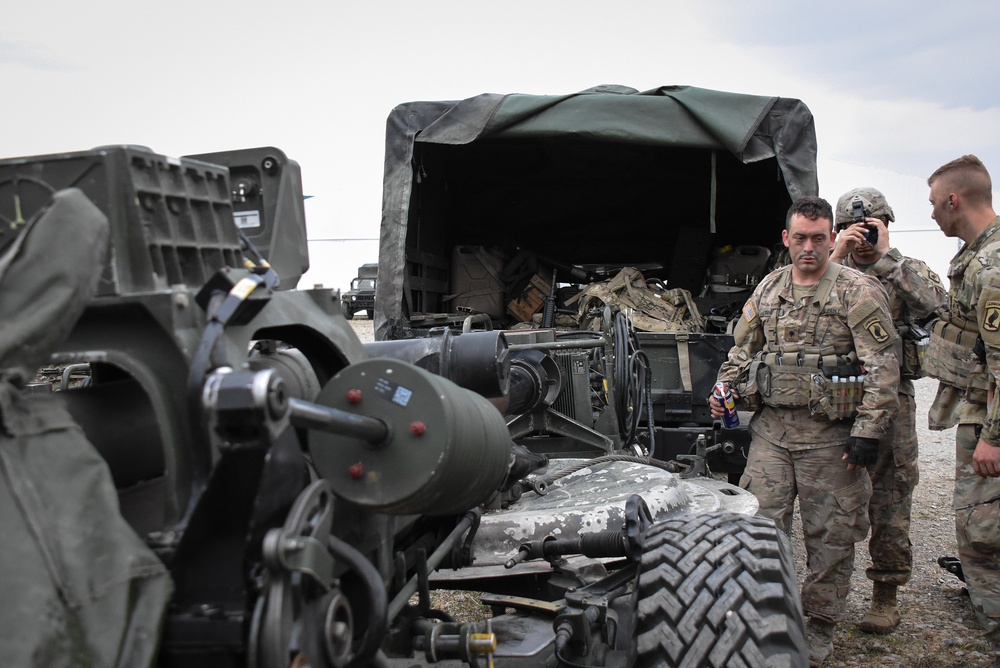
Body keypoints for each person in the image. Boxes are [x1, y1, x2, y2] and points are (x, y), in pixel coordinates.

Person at [710, 195, 899, 666]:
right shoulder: (769, 289)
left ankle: (819, 624)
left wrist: (868, 432)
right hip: (772, 435)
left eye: (819, 238)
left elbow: (883, 366)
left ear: (832, 237)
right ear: (786, 239)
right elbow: (741, 351)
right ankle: (769, 614)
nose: (809, 247)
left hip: (830, 440)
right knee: (761, 529)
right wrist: (723, 390)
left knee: (830, 537)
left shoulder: (856, 291)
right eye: (800, 238)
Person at [830, 187, 947, 634]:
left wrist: (886, 258)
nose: (861, 234)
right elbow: (795, 296)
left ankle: (886, 592)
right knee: (831, 499)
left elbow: (939, 305)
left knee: (891, 498)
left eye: (870, 225)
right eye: (852, 227)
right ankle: (824, 594)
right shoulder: (826, 267)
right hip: (834, 397)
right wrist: (837, 253)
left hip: (891, 397)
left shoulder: (904, 268)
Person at [922, 155, 1000, 654]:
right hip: (982, 415)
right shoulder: (977, 257)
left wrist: (993, 437)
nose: (931, 215)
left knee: (982, 539)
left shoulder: (991, 268)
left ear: (955, 200)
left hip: (989, 424)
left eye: (934, 204)